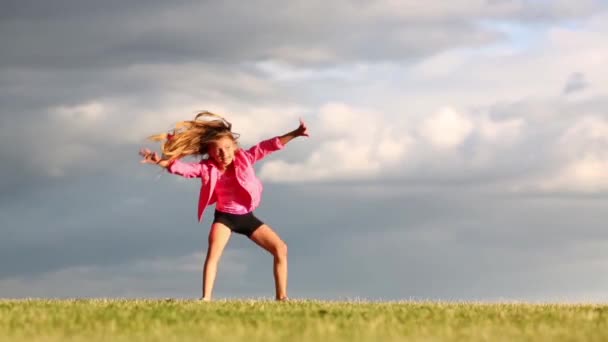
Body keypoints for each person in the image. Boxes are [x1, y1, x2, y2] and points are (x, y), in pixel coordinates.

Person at [139, 111, 308, 301]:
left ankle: (282, 297)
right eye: (218, 150)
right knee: (213, 254)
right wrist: (161, 161)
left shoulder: (244, 158)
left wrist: (295, 133)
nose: (223, 153)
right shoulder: (206, 168)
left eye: (227, 148)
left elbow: (266, 146)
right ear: (209, 152)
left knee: (280, 248)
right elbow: (184, 169)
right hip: (224, 218)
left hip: (246, 217)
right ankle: (206, 298)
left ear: (234, 146)